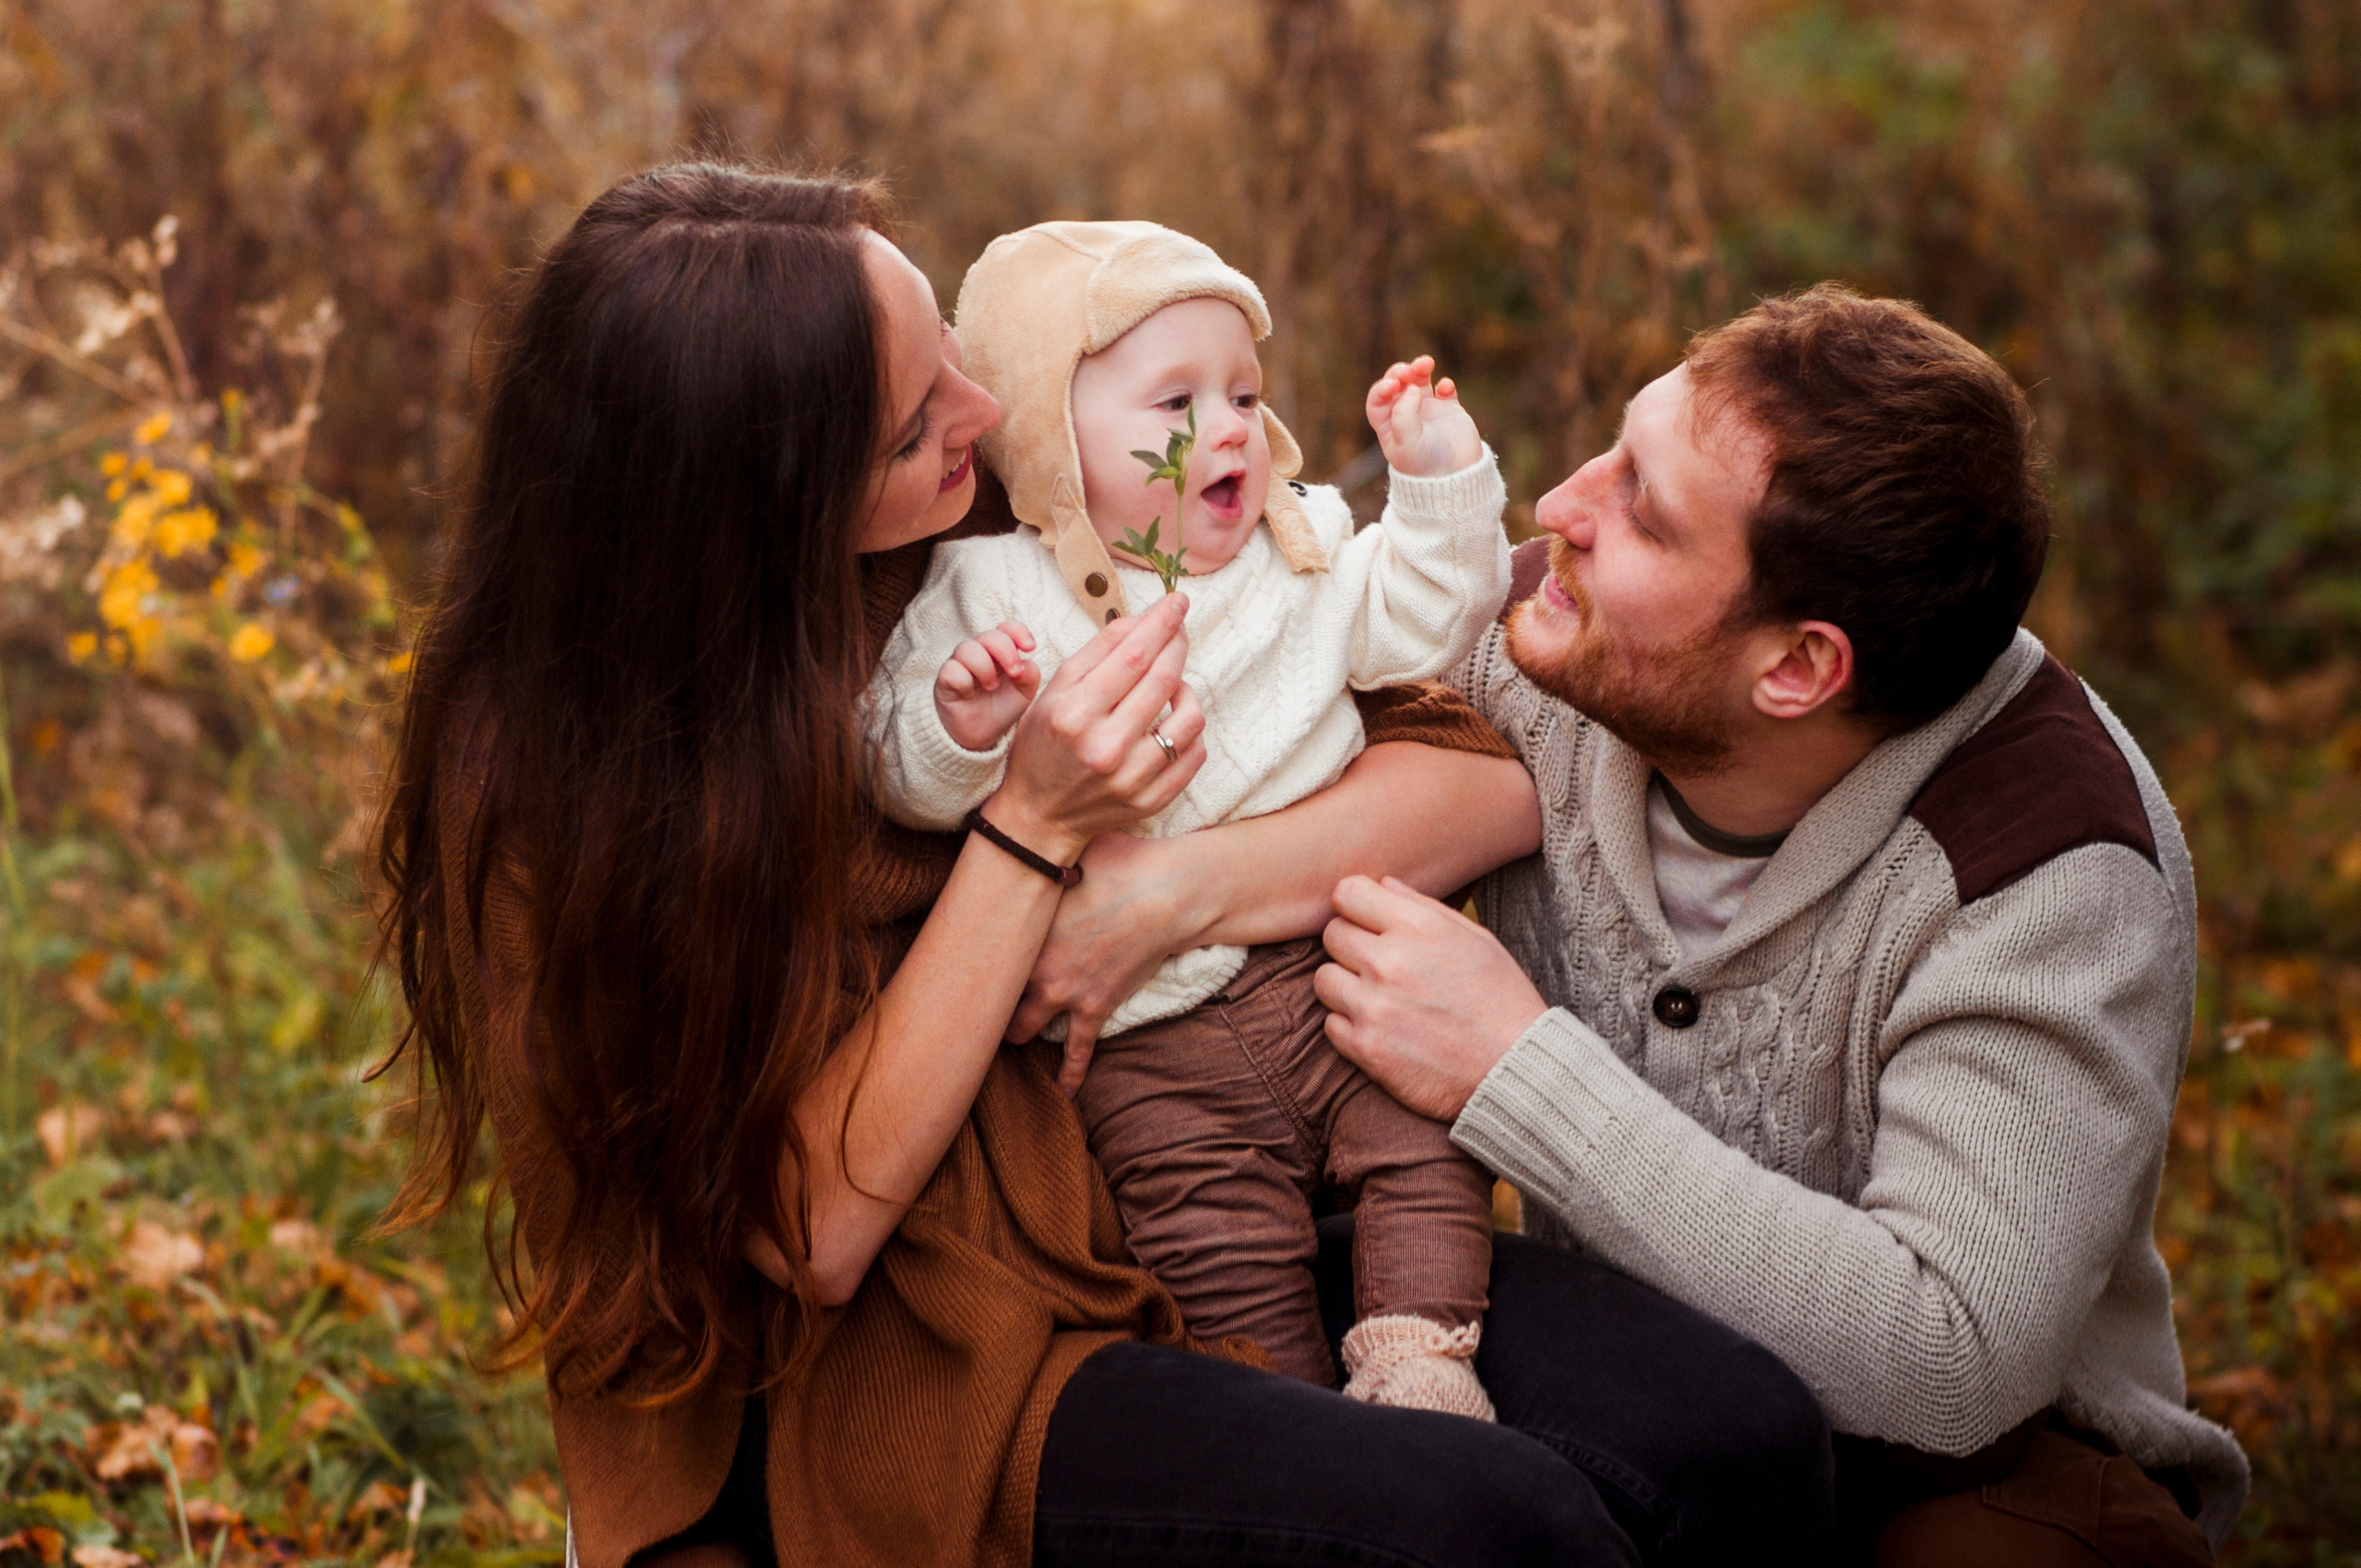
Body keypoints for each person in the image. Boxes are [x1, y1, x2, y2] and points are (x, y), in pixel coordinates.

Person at [371, 163, 1833, 1568]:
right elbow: (808, 1230)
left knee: (1740, 1442)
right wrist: (1034, 832)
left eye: (951, 347)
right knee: (1494, 1526)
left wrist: (1165, 897)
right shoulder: (566, 775)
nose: (988, 410)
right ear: (764, 500)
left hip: (1200, 1173)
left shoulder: (1001, 499)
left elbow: (1473, 783)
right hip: (924, 1365)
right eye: (911, 421)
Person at [1310, 282, 2249, 1564]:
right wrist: (1151, 899)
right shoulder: (1543, 651)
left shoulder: (2050, 865)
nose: (1558, 510)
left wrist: (1512, 1067)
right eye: (1617, 449)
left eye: (1641, 510)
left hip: (1983, 1475)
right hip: (1636, 1396)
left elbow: (1951, 1363)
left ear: (1798, 670)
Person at [868, 220, 1509, 1413]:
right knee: (1211, 1245)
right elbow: (894, 770)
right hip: (1149, 1043)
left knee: (1431, 1129)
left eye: (1244, 393)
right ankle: (1300, 1430)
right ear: (1051, 436)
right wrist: (960, 730)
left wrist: (1439, 484)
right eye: (1175, 404)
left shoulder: (1302, 545)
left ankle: (1420, 1356)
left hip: (1326, 971)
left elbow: (1429, 618)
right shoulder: (989, 592)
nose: (1225, 428)